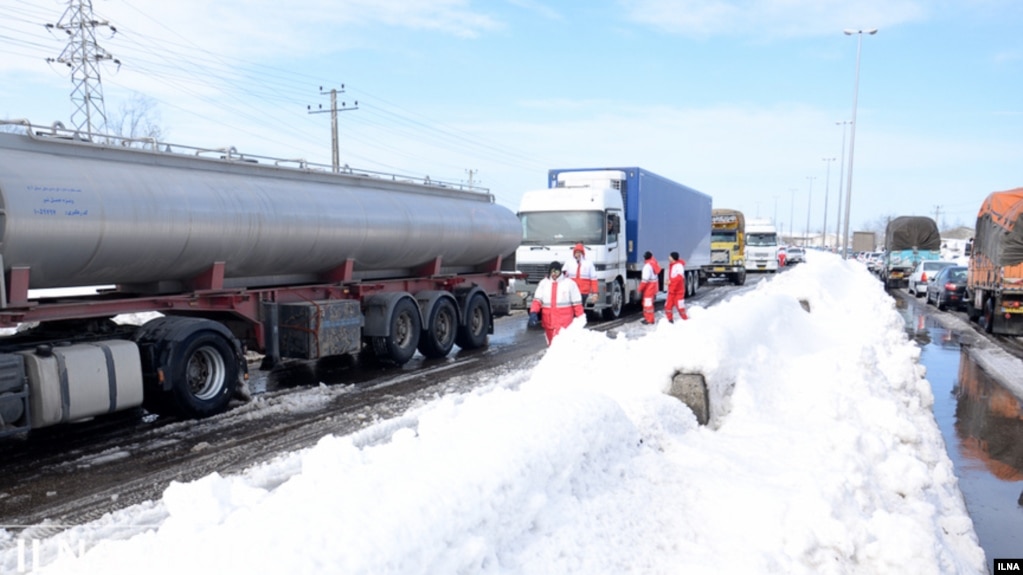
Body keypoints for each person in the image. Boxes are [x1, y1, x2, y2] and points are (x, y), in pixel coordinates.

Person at [528, 260, 585, 345]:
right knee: (551, 346)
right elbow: (537, 301)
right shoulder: (544, 283)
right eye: (552, 271)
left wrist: (581, 320)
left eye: (556, 271)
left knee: (561, 346)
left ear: (560, 271)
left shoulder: (569, 284)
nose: (554, 274)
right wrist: (533, 313)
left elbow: (577, 305)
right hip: (549, 323)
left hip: (564, 324)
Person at [665, 251, 688, 322]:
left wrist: (670, 281)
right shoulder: (672, 265)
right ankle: (670, 320)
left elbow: (679, 278)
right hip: (672, 290)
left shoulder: (679, 266)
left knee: (680, 307)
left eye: (670, 256)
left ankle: (685, 320)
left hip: (678, 291)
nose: (668, 257)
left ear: (673, 258)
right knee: (668, 306)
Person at [639, 251, 661, 324]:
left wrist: (640, 288)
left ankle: (649, 320)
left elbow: (645, 280)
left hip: (649, 288)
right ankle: (648, 318)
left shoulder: (647, 266)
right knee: (648, 304)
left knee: (647, 305)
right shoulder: (653, 264)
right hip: (653, 287)